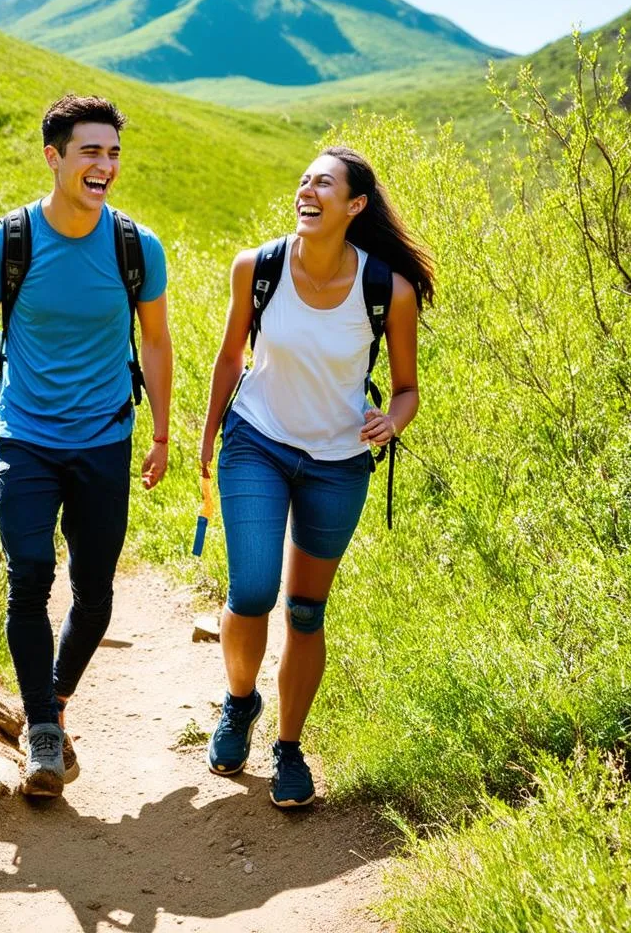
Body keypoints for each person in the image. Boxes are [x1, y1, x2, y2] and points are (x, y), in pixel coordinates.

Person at [0, 94, 173, 797]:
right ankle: (43, 731)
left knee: (95, 591)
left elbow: (156, 341)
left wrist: (162, 431)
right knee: (30, 575)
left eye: (113, 153)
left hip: (107, 437)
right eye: (90, 152)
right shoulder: (7, 241)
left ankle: (54, 701)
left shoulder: (138, 246)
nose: (104, 166)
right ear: (54, 157)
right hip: (26, 437)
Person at [198, 146, 434, 808]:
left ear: (354, 205)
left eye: (323, 183)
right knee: (250, 590)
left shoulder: (389, 288)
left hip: (338, 463)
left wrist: (393, 420)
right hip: (258, 441)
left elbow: (410, 389)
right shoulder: (259, 267)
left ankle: (289, 747)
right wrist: (206, 436)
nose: (308, 189)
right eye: (303, 180)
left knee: (306, 611)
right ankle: (239, 704)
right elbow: (228, 358)